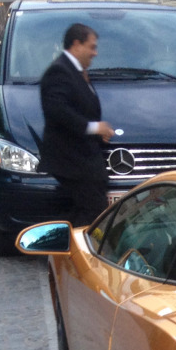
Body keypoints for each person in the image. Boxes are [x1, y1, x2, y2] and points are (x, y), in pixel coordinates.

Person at [39, 23, 114, 227]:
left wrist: (99, 132)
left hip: (85, 162)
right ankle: (74, 253)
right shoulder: (59, 72)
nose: (95, 53)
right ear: (76, 44)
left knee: (87, 211)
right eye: (92, 47)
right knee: (92, 213)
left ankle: (71, 249)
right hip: (71, 162)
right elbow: (57, 111)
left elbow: (82, 108)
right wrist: (93, 128)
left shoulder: (77, 71)